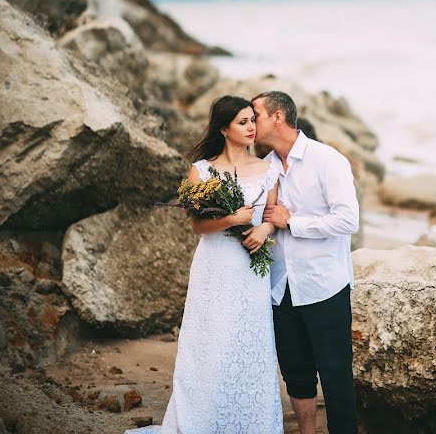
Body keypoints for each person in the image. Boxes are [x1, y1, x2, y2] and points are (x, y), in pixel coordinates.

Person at [127, 95, 284, 434]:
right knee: (210, 341)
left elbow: (272, 216)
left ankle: (249, 424)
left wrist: (262, 229)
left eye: (252, 120)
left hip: (250, 268)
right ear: (224, 129)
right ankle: (202, 420)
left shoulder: (270, 170)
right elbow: (198, 226)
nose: (252, 127)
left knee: (248, 344)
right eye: (243, 122)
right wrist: (231, 218)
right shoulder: (202, 171)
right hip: (215, 266)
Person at [252, 91, 360, 434]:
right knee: (296, 371)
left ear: (278, 117)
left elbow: (347, 221)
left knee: (335, 371)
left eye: (255, 115)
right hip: (281, 286)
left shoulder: (328, 160)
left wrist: (292, 222)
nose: (251, 122)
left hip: (323, 283)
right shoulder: (265, 166)